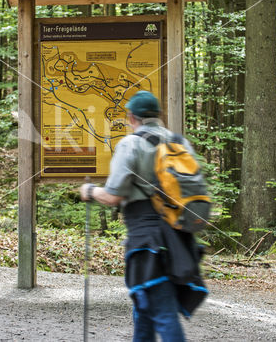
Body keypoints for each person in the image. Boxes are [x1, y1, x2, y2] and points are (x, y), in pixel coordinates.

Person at [80, 90, 207, 342]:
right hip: (178, 235)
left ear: (131, 117)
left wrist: (90, 191)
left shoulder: (131, 144)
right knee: (145, 308)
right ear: (159, 115)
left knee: (161, 311)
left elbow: (113, 196)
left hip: (146, 238)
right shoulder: (180, 143)